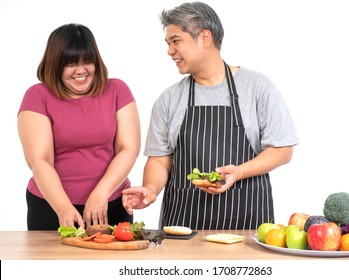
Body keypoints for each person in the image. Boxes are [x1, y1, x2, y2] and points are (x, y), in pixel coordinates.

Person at [122, 2, 299, 230]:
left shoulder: (257, 87)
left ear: (205, 38)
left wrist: (239, 172)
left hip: (247, 224)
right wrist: (150, 189)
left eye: (176, 41)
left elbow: (283, 150)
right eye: (168, 43)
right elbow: (159, 159)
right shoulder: (169, 98)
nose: (169, 51)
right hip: (184, 226)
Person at [17, 23, 141, 230]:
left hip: (111, 203)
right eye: (71, 63)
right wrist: (63, 208)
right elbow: (40, 160)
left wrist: (101, 193)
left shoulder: (118, 89)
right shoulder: (37, 95)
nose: (81, 70)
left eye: (88, 62)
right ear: (55, 64)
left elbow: (128, 149)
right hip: (52, 206)